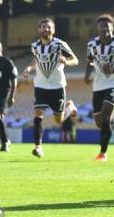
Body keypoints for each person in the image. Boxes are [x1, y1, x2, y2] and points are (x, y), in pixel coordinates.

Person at [22, 18, 79, 158]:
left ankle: (69, 108)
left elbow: (75, 60)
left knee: (58, 120)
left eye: (49, 27)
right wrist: (29, 68)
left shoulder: (60, 44)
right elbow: (37, 59)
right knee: (38, 114)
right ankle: (38, 147)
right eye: (43, 27)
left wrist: (66, 60)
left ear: (53, 30)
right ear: (39, 30)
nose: (46, 29)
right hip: (41, 85)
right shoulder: (35, 46)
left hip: (57, 86)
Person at [84, 14, 114, 162]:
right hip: (98, 84)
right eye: (102, 26)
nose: (105, 28)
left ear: (112, 27)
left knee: (105, 117)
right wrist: (87, 75)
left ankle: (102, 153)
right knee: (100, 123)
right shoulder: (92, 45)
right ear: (97, 28)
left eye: (107, 25)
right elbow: (89, 62)